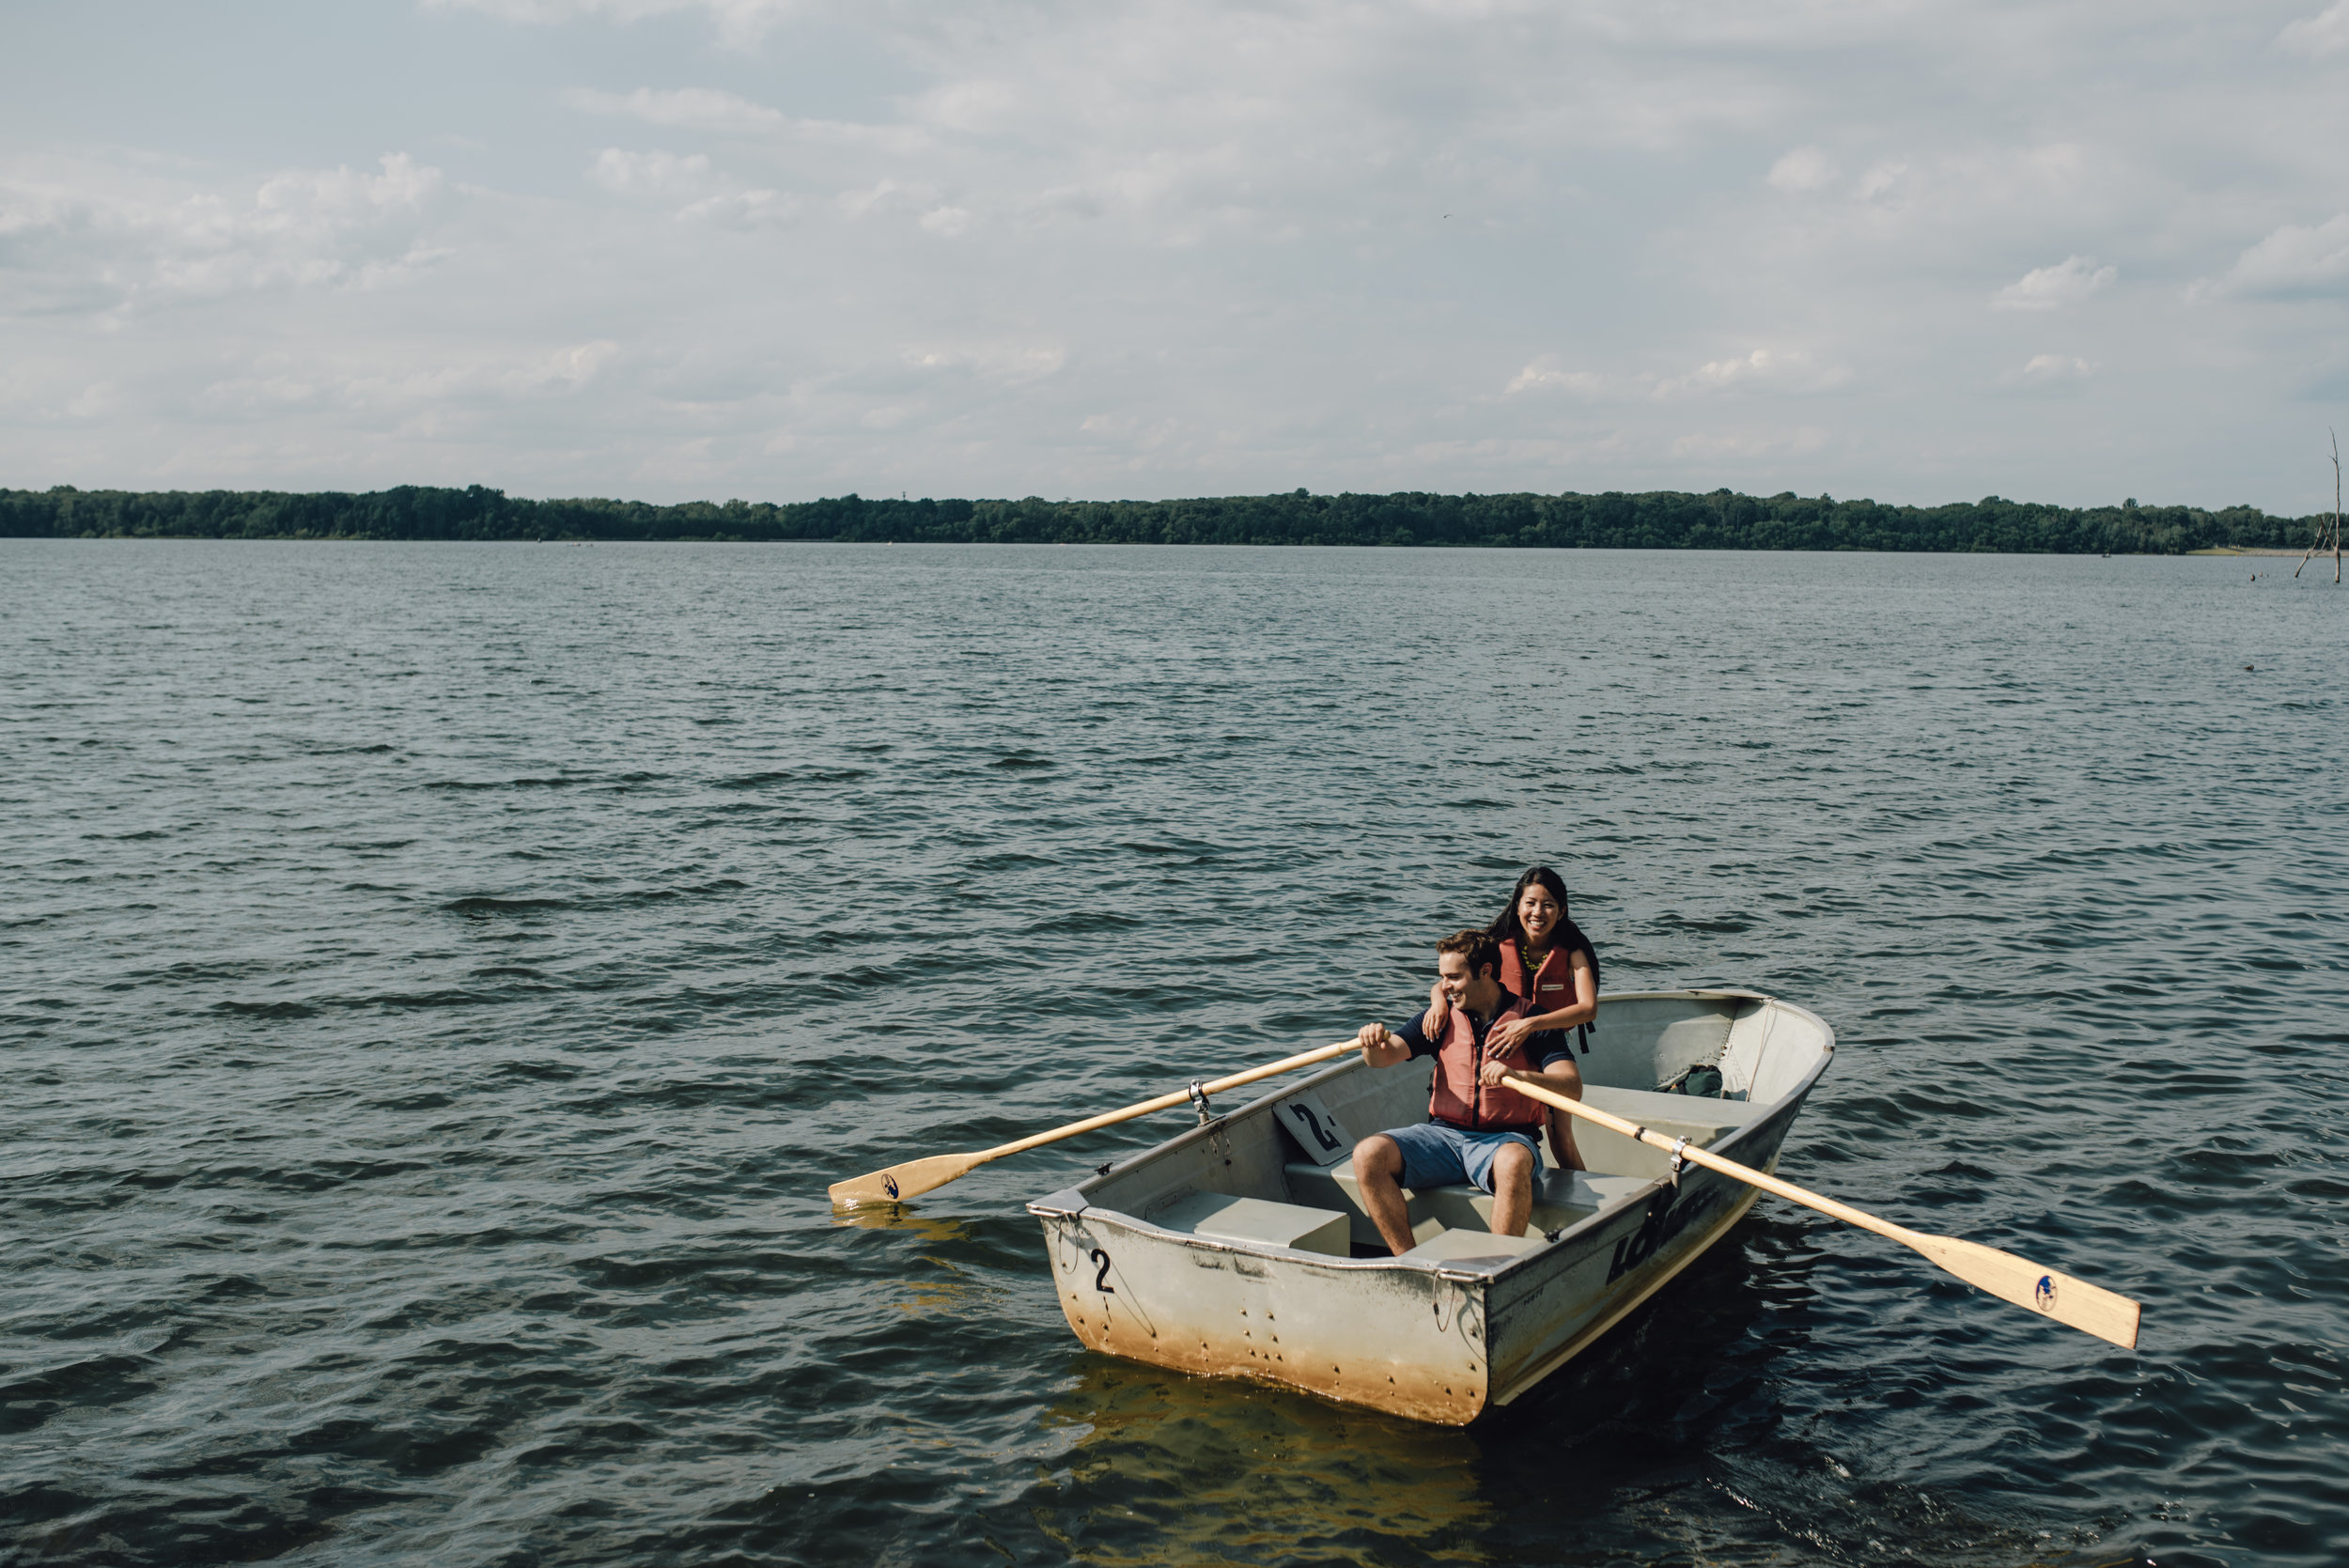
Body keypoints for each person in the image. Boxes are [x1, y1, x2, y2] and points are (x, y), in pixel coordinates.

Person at [1348, 928, 1588, 1257]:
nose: (1444, 986)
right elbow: (1384, 1058)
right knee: (1367, 1154)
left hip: (1505, 1139)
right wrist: (1371, 1045)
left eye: (1453, 977)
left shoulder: (1531, 1021)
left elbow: (1572, 1087)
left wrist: (1518, 1075)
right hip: (1442, 1138)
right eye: (1442, 977)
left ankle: (1499, 1266)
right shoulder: (1440, 1018)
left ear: (1485, 972)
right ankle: (1408, 1261)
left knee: (1515, 1162)